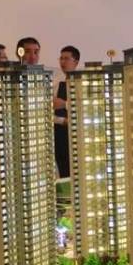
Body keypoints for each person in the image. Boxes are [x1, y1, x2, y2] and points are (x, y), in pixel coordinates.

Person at [54, 46, 80, 178]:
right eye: (61, 58)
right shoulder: (57, 84)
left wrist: (64, 104)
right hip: (60, 135)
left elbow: (83, 107)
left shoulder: (81, 83)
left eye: (66, 58)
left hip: (77, 134)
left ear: (76, 62)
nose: (63, 62)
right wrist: (62, 120)